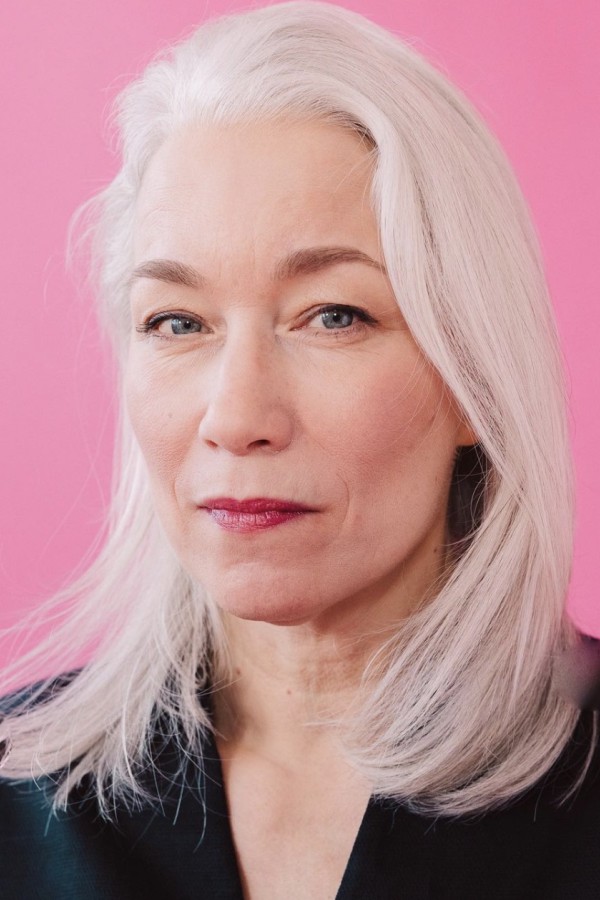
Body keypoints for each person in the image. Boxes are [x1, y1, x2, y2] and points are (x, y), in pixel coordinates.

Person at [0, 2, 598, 897]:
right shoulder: (18, 791)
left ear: (473, 373)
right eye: (178, 322)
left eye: (333, 315)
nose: (237, 416)